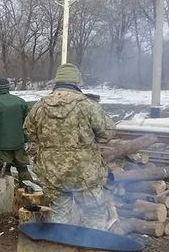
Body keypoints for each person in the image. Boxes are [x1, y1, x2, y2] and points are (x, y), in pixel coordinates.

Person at [24, 63, 116, 230]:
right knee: (94, 213)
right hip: (84, 173)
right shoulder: (88, 105)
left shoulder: (40, 106)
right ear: (77, 82)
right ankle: (92, 250)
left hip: (52, 172)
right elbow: (107, 133)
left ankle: (61, 250)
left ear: (57, 82)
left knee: (59, 214)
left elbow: (29, 132)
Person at [0, 78, 33, 183]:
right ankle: (30, 192)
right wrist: (27, 140)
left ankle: (9, 193)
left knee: (5, 170)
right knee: (23, 168)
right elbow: (28, 124)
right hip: (19, 142)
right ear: (9, 87)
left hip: (1, 145)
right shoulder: (20, 102)